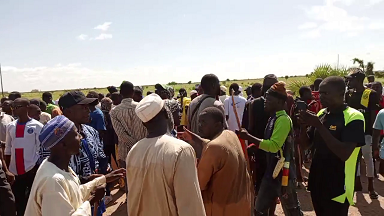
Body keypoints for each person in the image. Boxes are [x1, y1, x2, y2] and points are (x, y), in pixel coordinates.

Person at [25, 115, 125, 216]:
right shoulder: (53, 182)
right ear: (63, 144)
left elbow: (74, 194)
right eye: (76, 134)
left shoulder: (57, 167)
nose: (81, 137)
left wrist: (103, 179)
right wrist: (91, 200)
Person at [126, 93, 206, 216]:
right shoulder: (181, 150)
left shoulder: (134, 150)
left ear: (144, 123)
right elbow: (190, 204)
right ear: (166, 114)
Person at [299, 76, 365, 215]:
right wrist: (303, 127)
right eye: (320, 93)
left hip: (339, 186)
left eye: (326, 93)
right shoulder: (322, 114)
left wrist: (318, 125)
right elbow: (306, 145)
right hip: (318, 182)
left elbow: (344, 153)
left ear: (342, 94)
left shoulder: (354, 117)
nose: (321, 97)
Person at [238, 82, 303, 216]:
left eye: (268, 99)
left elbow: (273, 146)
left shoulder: (283, 119)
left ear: (279, 102)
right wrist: (255, 147)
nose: (265, 101)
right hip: (272, 173)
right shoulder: (273, 118)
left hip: (284, 175)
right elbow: (270, 143)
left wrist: (249, 137)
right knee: (259, 208)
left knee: (292, 211)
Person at [183, 107, 252, 216]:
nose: (200, 126)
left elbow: (199, 184)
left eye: (204, 123)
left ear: (217, 125)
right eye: (199, 122)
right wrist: (195, 138)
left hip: (222, 208)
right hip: (242, 205)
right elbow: (218, 146)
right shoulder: (230, 135)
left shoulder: (213, 148)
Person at [4, 98, 44, 215]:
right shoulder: (10, 126)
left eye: (18, 107)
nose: (14, 110)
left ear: (27, 107)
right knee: (18, 200)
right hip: (14, 170)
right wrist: (7, 168)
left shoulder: (37, 126)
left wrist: (36, 167)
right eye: (13, 107)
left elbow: (41, 149)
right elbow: (8, 148)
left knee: (32, 199)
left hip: (31, 169)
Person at [345, 69, 378, 199]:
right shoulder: (349, 94)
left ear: (358, 80)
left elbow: (373, 115)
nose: (348, 82)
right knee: (354, 158)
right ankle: (356, 181)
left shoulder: (370, 94)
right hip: (352, 132)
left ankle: (371, 186)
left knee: (367, 157)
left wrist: (373, 134)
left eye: (351, 79)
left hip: (366, 133)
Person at [110, 81, 147, 193]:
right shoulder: (142, 107)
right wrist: (139, 146)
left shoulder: (114, 112)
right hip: (144, 150)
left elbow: (121, 134)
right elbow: (147, 129)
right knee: (144, 179)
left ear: (120, 93)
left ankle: (131, 203)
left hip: (126, 152)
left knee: (129, 180)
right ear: (133, 93)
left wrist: (134, 146)